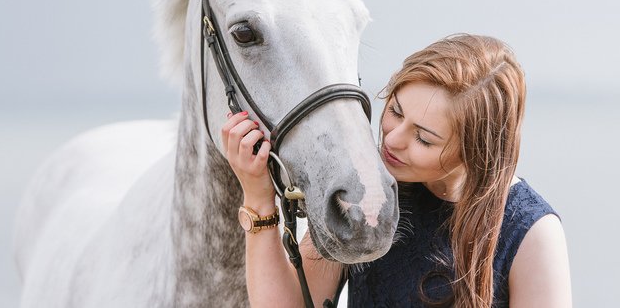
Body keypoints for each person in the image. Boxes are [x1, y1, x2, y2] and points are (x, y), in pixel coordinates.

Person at [222, 34, 572, 308]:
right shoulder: (367, 187)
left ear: (475, 153)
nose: (393, 138)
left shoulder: (530, 233)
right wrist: (258, 195)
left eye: (424, 138)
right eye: (397, 111)